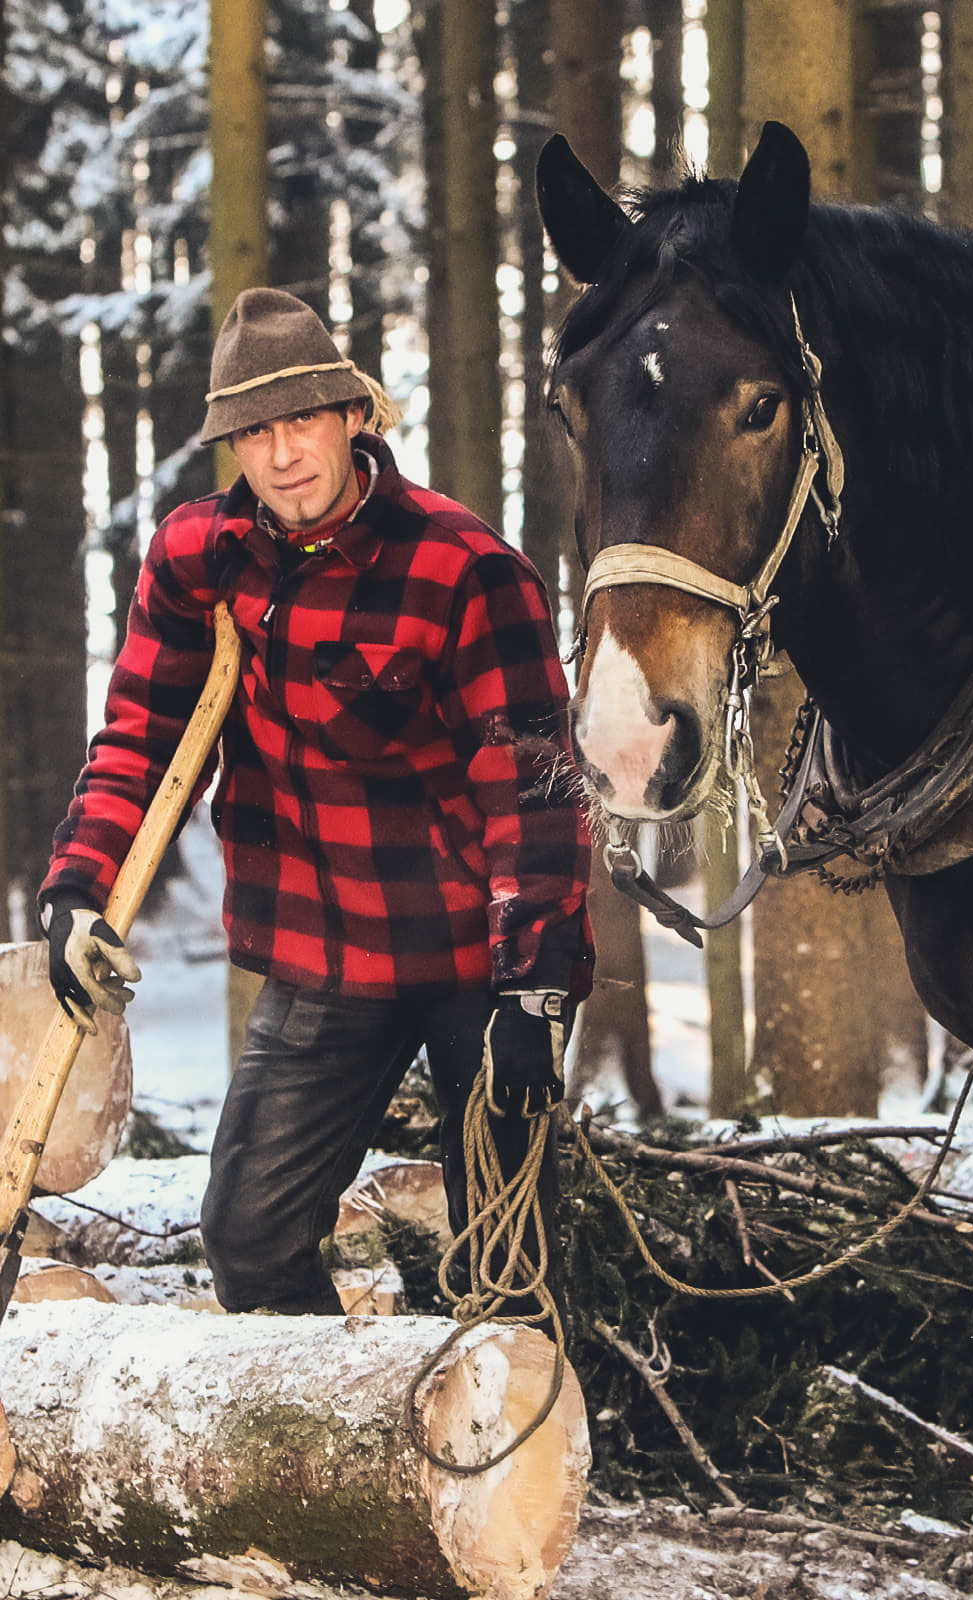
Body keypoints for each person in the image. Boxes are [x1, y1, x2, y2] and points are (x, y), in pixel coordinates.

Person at [39, 286, 594, 1318]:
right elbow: (140, 740)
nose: (283, 454)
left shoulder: (465, 569)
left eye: (301, 420)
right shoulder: (201, 559)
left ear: (353, 416)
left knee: (505, 1263)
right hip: (328, 947)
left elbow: (534, 792)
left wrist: (535, 987)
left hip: (478, 954)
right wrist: (82, 882)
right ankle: (336, 1443)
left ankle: (507, 1452)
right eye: (253, 431)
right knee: (248, 1238)